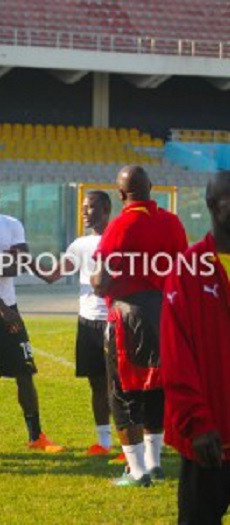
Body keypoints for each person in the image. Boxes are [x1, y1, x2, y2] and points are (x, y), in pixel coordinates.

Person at [91, 165, 188, 487]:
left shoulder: (120, 225)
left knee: (122, 392)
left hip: (129, 313)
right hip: (164, 312)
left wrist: (95, 280)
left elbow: (102, 283)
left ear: (120, 195)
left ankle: (136, 470)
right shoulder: (171, 222)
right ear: (152, 188)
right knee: (156, 388)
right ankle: (155, 463)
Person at [0, 175, 65, 454]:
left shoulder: (12, 225)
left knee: (24, 371)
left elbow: (18, 266)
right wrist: (3, 308)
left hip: (10, 307)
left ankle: (36, 436)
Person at [161, 171, 230, 523]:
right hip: (210, 440)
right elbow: (176, 356)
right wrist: (197, 422)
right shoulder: (187, 269)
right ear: (213, 206)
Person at [39, 190, 121, 455]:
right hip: (87, 323)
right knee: (97, 384)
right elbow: (53, 276)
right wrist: (23, 260)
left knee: (120, 386)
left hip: (114, 320)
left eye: (91, 207)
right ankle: (104, 442)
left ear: (106, 210)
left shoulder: (120, 238)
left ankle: (131, 443)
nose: (85, 212)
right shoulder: (80, 244)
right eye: (83, 207)